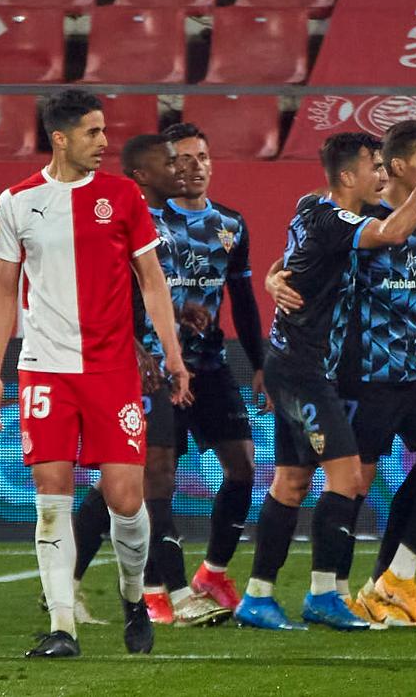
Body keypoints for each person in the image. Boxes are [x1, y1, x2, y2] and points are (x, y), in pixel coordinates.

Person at [0, 90, 192, 658]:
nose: (104, 142)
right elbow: (4, 289)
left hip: (110, 371)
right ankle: (61, 626)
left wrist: (172, 354)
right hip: (44, 372)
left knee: (126, 498)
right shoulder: (17, 202)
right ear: (61, 137)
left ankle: (132, 598)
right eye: (93, 132)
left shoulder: (122, 196)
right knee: (50, 495)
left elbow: (151, 281)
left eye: (104, 131)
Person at [234, 132, 416, 632]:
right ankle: (324, 593)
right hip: (303, 371)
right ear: (348, 177)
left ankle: (257, 597)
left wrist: (272, 275)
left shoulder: (311, 206)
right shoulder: (333, 220)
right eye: (374, 166)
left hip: (294, 363)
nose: (381, 175)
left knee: (291, 481)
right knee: (346, 479)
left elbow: (296, 260)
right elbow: (391, 234)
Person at [69, 134, 229, 628]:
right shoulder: (117, 218)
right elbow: (98, 292)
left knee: (127, 483)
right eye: (169, 162)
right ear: (143, 174)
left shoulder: (158, 222)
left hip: (157, 366)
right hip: (125, 369)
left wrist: (179, 316)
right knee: (152, 475)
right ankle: (176, 595)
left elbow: (143, 291)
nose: (180, 168)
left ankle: (66, 584)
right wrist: (137, 350)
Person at [156, 123, 268, 614]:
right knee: (155, 479)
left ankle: (214, 574)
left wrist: (260, 364)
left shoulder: (231, 224)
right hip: (156, 369)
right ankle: (159, 589)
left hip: (211, 364)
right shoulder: (148, 221)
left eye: (202, 156)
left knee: (243, 467)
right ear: (165, 168)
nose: (194, 165)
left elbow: (242, 300)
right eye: (182, 158)